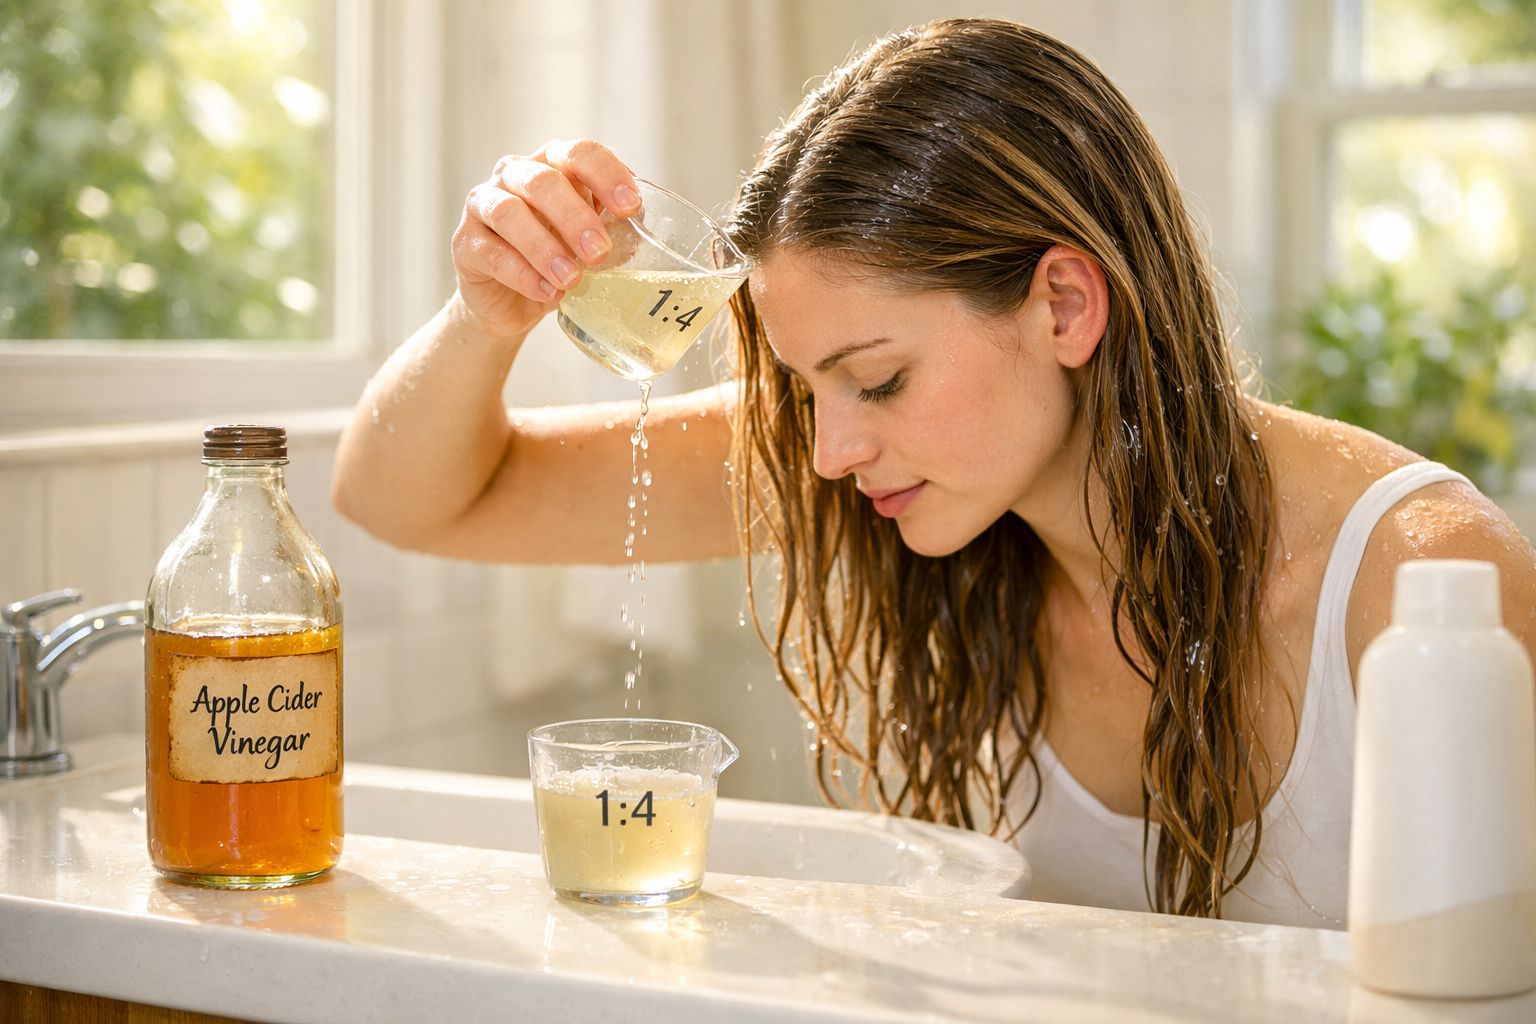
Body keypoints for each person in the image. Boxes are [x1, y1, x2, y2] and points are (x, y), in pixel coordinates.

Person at [332, 18, 1536, 926]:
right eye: (806, 386)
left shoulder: (1425, 586)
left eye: (881, 379)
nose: (826, 451)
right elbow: (404, 498)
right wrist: (489, 313)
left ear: (1065, 301)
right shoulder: (891, 454)